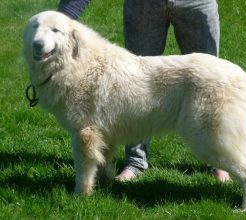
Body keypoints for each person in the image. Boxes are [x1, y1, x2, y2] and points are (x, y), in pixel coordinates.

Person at [58, 0, 230, 183]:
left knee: (208, 84)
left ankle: (219, 161)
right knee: (132, 88)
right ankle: (135, 162)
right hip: (142, 6)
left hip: (196, 3)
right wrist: (63, 18)